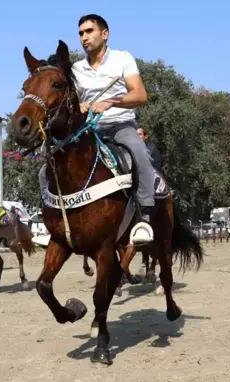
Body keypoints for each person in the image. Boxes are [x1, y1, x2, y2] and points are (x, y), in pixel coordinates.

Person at [71, 14, 154, 245]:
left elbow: (140, 95)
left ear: (104, 34)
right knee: (50, 165)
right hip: (89, 129)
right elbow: (72, 104)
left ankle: (145, 216)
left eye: (89, 31)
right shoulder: (76, 69)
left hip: (120, 125)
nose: (84, 37)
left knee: (140, 155)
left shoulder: (122, 58)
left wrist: (110, 102)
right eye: (80, 34)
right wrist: (80, 106)